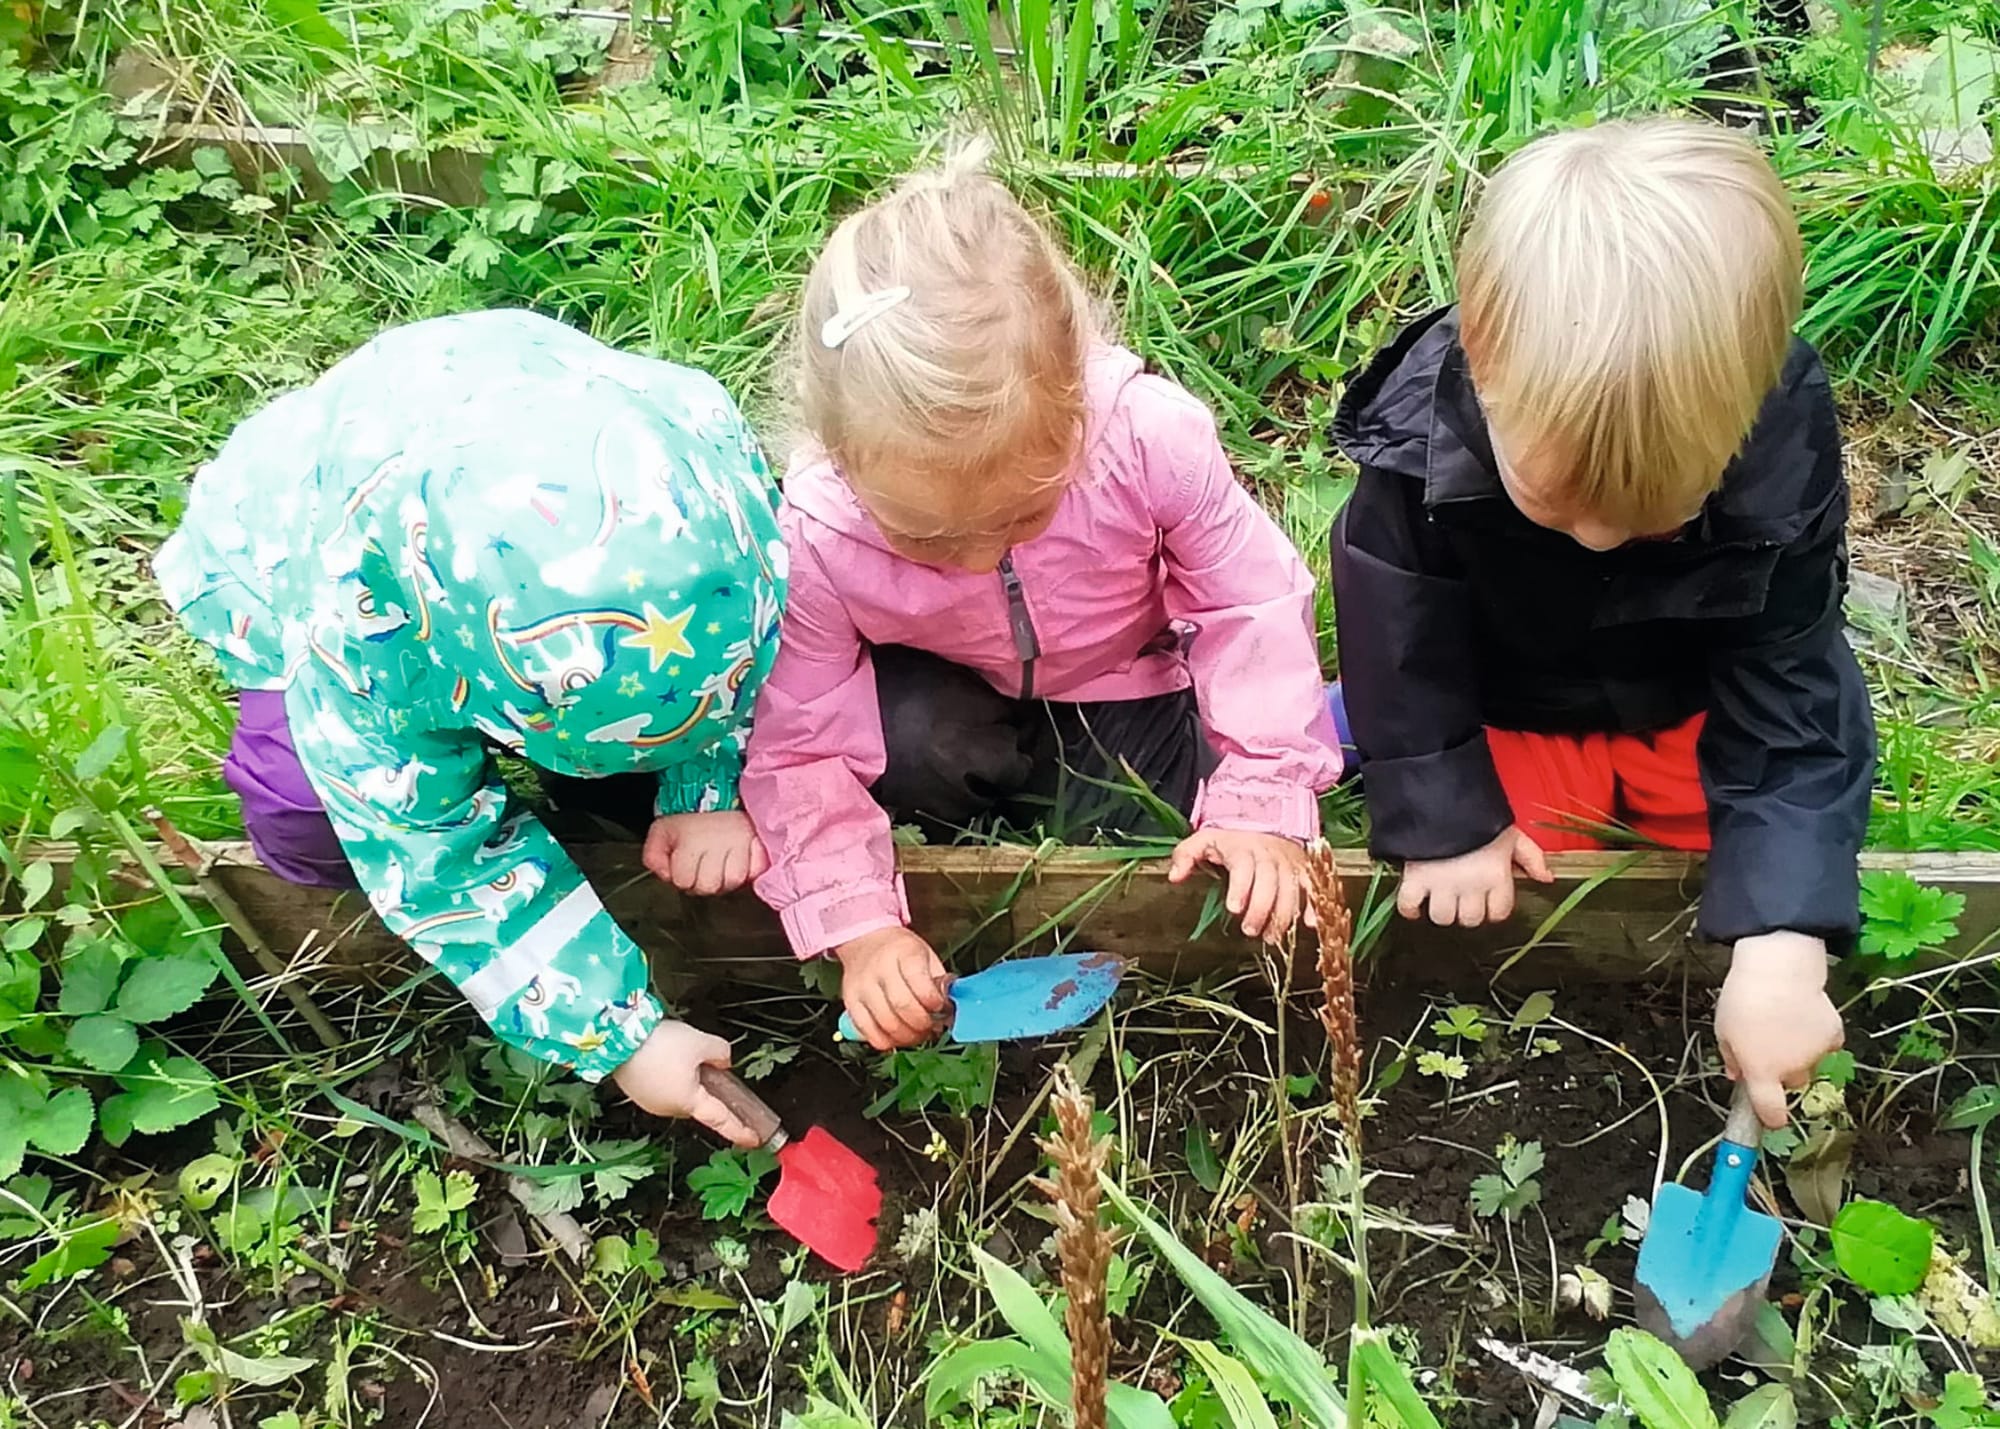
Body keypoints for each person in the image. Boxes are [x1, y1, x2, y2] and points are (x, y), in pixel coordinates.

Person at [1329, 118, 1874, 1128]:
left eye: (1648, 512)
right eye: (1553, 502)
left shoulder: (1778, 447)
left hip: (1680, 692)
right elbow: (1398, 639)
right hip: (1514, 690)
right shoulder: (1418, 450)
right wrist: (1445, 820)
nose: (1592, 540)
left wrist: (1782, 943)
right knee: (1500, 848)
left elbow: (1788, 679)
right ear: (1482, 365)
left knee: (1742, 839)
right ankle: (1365, 743)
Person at [741, 140, 1344, 1052]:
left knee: (1153, 844)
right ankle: (945, 844)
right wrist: (856, 923)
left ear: (1073, 409)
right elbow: (798, 738)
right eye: (929, 539)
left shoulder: (1147, 441)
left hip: (1121, 683)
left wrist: (1259, 794)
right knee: (909, 750)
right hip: (953, 693)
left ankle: (1313, 738)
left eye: (1024, 513)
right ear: (843, 455)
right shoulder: (820, 530)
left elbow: (1249, 605)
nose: (980, 551)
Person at [155, 309, 788, 1145]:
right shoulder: (366, 642)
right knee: (305, 809)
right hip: (286, 541)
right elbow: (434, 857)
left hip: (516, 425)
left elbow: (739, 657)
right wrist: (620, 1032)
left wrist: (701, 784)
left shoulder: (711, 489)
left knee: (654, 724)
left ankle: (595, 768)